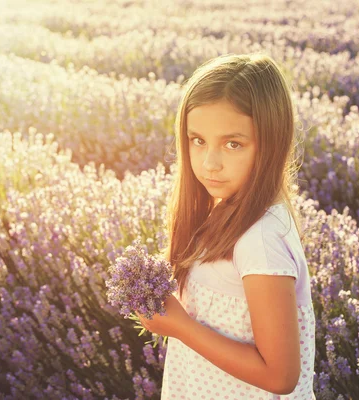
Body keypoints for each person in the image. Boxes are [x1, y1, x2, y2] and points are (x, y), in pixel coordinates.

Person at [135, 53, 316, 399]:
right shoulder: (221, 212)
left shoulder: (259, 239)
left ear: (272, 142)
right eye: (197, 140)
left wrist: (180, 327)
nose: (209, 163)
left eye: (233, 144)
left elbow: (280, 376)